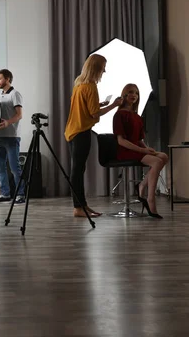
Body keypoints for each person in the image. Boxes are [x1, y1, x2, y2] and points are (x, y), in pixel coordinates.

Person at [64, 54, 122, 217]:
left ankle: (82, 205)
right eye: (103, 66)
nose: (105, 70)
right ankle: (78, 207)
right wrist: (114, 105)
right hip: (81, 132)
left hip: (72, 131)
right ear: (97, 68)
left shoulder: (79, 83)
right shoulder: (90, 86)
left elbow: (84, 107)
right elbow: (95, 114)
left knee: (78, 169)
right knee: (77, 170)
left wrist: (99, 103)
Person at [113, 83, 168, 219]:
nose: (134, 95)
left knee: (163, 156)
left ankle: (142, 185)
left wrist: (147, 149)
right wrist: (142, 150)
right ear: (124, 95)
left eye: (136, 93)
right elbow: (121, 141)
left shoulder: (137, 117)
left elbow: (139, 139)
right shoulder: (119, 115)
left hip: (137, 149)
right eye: (131, 92)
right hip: (125, 151)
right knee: (156, 162)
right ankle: (150, 199)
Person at [0, 69, 26, 205]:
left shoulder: (15, 94)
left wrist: (7, 122)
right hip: (0, 137)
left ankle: (20, 195)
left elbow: (19, 115)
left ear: (8, 79)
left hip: (12, 137)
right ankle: (5, 194)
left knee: (14, 168)